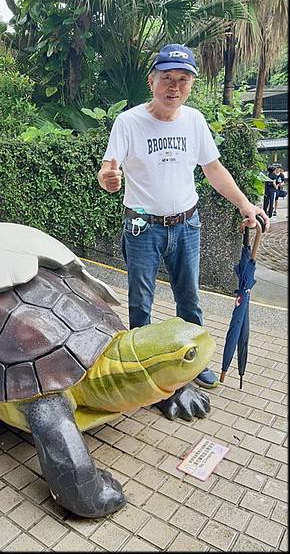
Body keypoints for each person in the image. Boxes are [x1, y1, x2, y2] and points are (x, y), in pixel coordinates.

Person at [97, 43, 270, 389]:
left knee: (189, 300)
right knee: (140, 303)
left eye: (183, 79)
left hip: (187, 225)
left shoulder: (194, 121)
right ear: (152, 81)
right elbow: (108, 171)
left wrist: (245, 204)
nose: (174, 87)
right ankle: (141, 370)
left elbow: (213, 168)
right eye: (167, 78)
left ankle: (192, 365)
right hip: (142, 227)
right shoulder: (128, 122)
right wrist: (108, 180)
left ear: (191, 84)